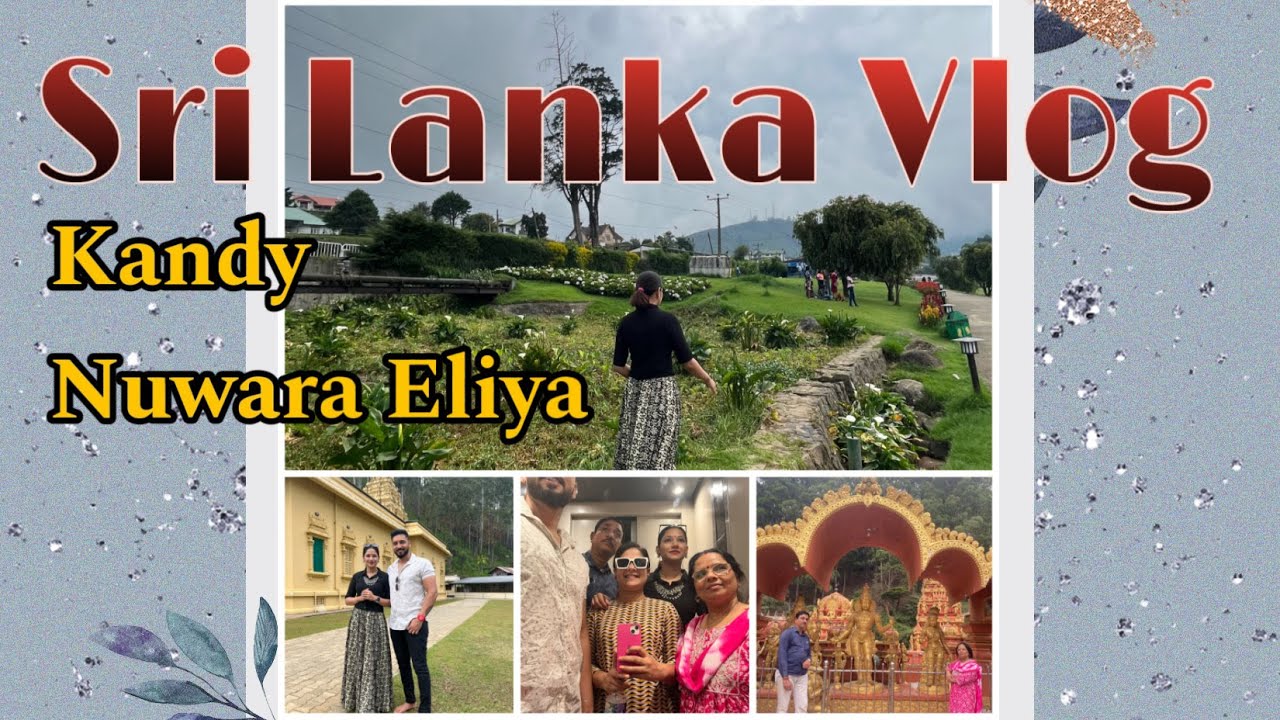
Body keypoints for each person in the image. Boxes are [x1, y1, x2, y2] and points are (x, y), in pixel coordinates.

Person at [617, 549, 751, 713]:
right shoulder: (691, 629)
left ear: (737, 576)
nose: (710, 576)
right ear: (695, 589)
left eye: (719, 568)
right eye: (700, 574)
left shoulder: (754, 626)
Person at [612, 270, 717, 470]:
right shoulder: (668, 320)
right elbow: (687, 362)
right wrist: (707, 379)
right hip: (662, 392)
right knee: (661, 444)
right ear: (659, 292)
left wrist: (636, 374)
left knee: (632, 439)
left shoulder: (626, 323)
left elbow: (617, 366)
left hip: (635, 391)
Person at [520, 477, 592, 713]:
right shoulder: (517, 528)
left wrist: (587, 706)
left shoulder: (577, 559)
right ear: (523, 477)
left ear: (575, 490)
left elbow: (580, 632)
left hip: (569, 705)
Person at [588, 543, 681, 712]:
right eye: (623, 564)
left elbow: (679, 664)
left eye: (639, 562)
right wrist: (602, 679)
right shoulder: (599, 612)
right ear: (615, 572)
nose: (631, 567)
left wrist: (659, 670)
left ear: (648, 569)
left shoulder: (665, 610)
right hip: (607, 704)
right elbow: (585, 662)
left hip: (655, 706)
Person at [387, 528, 438, 713]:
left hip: (415, 624)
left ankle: (425, 708)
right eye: (395, 543)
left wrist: (420, 618)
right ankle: (410, 701)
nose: (399, 546)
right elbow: (393, 596)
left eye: (402, 542)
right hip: (395, 625)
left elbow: (432, 592)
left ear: (409, 543)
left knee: (420, 666)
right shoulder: (391, 568)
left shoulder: (422, 564)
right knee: (402, 664)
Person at [340, 544, 392, 713]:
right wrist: (360, 598)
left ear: (378, 558)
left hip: (376, 621)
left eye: (374, 556)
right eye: (368, 555)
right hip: (358, 621)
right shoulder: (357, 577)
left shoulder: (385, 577)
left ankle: (375, 700)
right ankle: (354, 699)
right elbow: (347, 599)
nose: (371, 559)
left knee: (375, 658)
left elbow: (391, 602)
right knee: (357, 657)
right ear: (363, 557)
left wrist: (375, 598)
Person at [644, 524, 703, 628]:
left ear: (686, 550)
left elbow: (708, 618)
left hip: (686, 643)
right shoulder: (645, 583)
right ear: (658, 550)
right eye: (668, 540)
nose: (675, 544)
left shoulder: (695, 584)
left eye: (680, 540)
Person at [775, 610, 812, 713]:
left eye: (806, 619)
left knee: (802, 706)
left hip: (802, 675)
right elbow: (782, 654)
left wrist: (808, 660)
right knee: (783, 706)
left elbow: (809, 654)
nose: (805, 621)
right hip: (788, 674)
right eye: (802, 618)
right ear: (796, 620)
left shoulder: (806, 637)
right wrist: (785, 677)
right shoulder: (787, 634)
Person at [585, 517, 623, 609]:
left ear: (619, 546)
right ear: (592, 536)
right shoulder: (574, 565)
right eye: (605, 529)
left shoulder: (616, 581)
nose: (611, 535)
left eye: (617, 534)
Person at [947, 641, 983, 713]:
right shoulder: (956, 663)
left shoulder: (973, 665)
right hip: (955, 695)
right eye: (959, 650)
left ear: (968, 652)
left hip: (967, 695)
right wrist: (948, 673)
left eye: (963, 649)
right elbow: (948, 667)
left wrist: (953, 678)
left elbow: (965, 678)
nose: (961, 651)